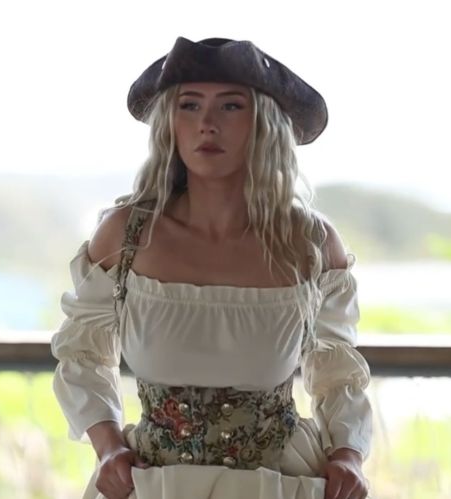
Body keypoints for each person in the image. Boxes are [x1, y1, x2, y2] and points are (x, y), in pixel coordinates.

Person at [51, 36, 372, 499]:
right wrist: (108, 448)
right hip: (151, 483)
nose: (206, 123)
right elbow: (82, 355)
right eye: (189, 105)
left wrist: (348, 455)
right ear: (170, 122)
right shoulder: (126, 237)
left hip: (281, 484)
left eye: (230, 106)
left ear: (264, 123)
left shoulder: (310, 244)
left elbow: (338, 371)